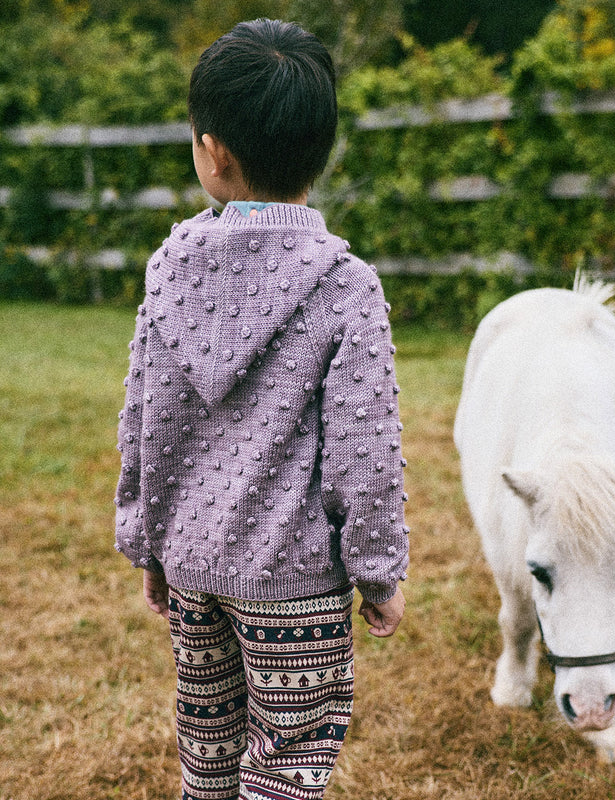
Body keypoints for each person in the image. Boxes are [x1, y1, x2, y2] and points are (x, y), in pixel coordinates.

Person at [113, 19, 408, 800]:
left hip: (192, 574)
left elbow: (144, 422)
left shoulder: (165, 270)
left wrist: (149, 545)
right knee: (284, 767)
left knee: (207, 761)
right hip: (296, 587)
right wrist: (378, 574)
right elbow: (365, 452)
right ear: (324, 147)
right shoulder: (348, 288)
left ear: (213, 152)